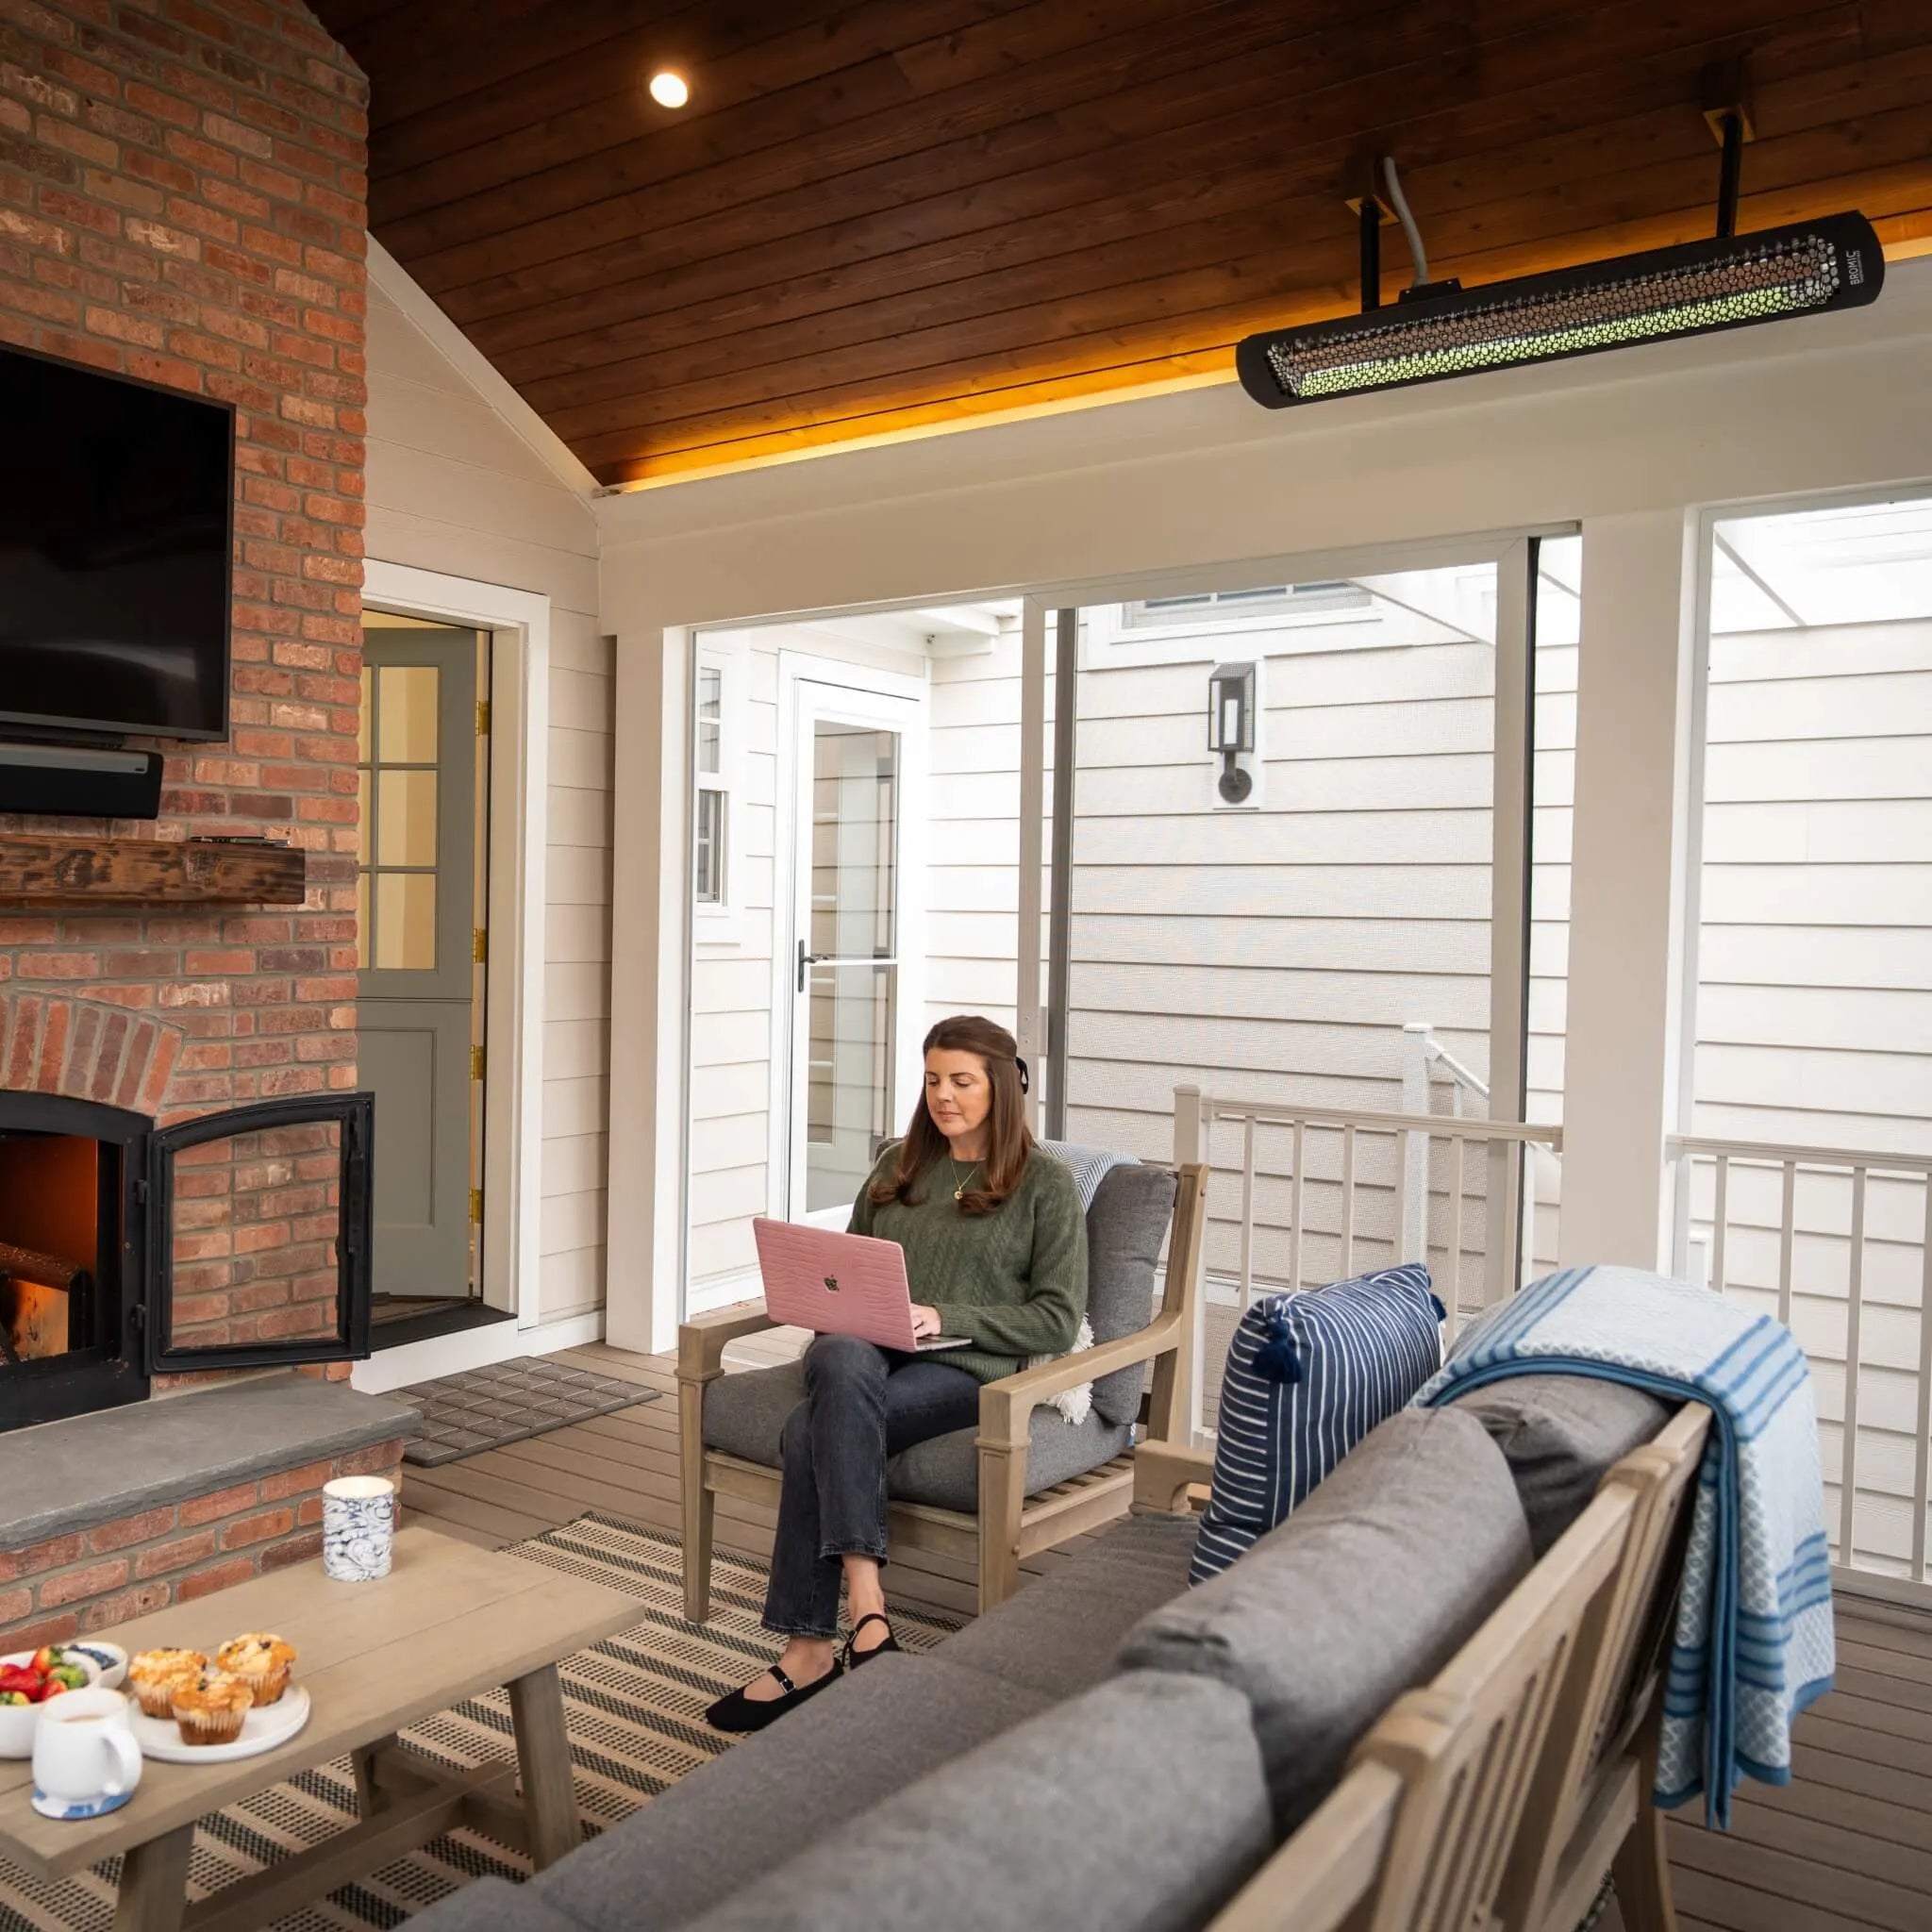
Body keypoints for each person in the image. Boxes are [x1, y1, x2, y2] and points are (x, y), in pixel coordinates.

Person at [704, 1014, 1088, 1732]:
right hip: (863, 1353)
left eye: (962, 1082)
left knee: (808, 1430)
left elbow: (1057, 1319)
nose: (944, 1095)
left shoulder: (1045, 1186)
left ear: (1003, 1088)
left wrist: (942, 1315)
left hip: (963, 1370)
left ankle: (810, 1649)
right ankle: (868, 1610)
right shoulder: (896, 1168)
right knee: (840, 1353)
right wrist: (831, 1305)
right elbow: (843, 1274)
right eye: (934, 1079)